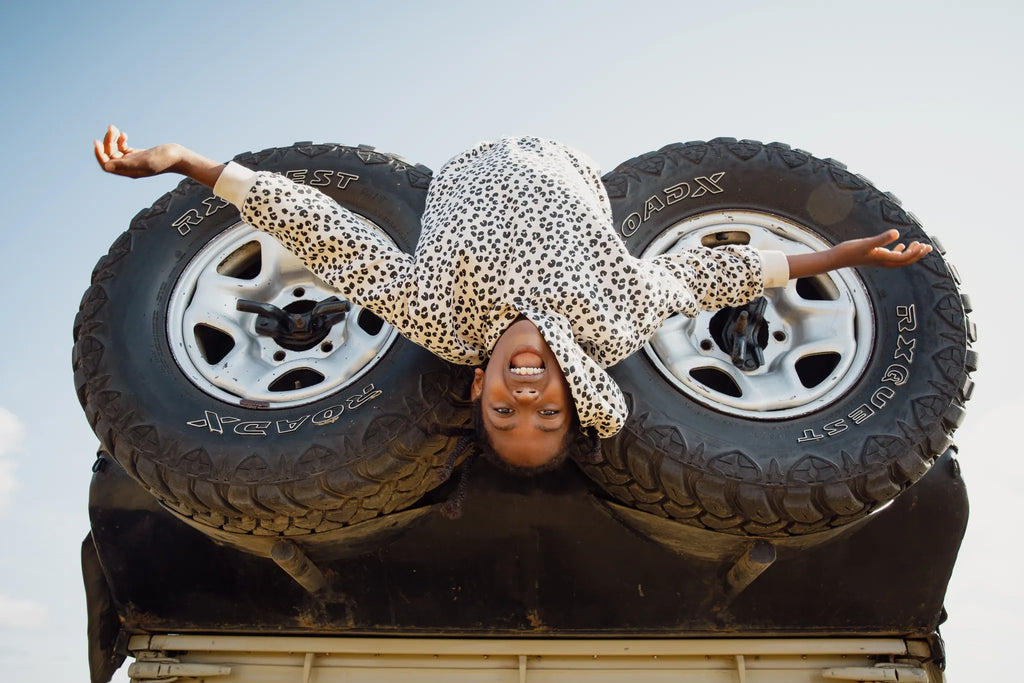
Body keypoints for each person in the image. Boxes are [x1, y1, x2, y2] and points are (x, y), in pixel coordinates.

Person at [94, 125, 932, 478]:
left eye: (505, 416)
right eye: (547, 415)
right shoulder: (614, 319)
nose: (524, 399)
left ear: (476, 391)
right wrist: (843, 252)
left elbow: (327, 236)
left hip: (463, 166)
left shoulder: (440, 322)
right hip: (567, 160)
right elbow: (718, 278)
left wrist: (191, 164)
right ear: (570, 393)